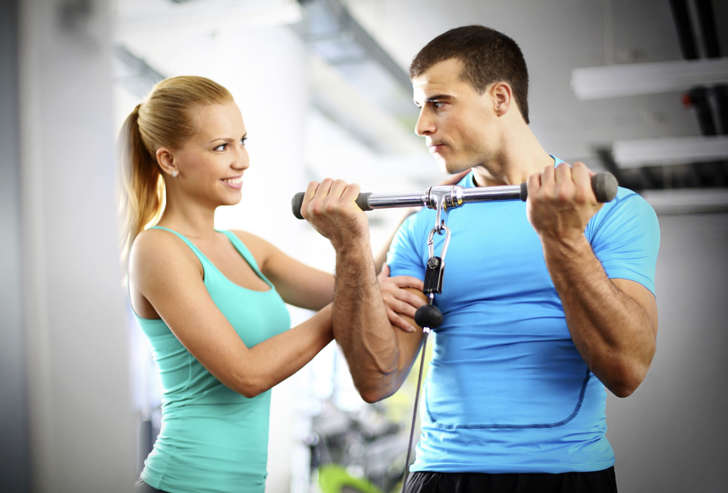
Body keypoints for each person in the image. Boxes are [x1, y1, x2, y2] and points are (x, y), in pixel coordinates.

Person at [299, 25, 660, 493]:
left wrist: (563, 238)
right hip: (442, 474)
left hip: (566, 473)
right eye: (420, 107)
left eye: (439, 102)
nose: (423, 125)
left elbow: (626, 370)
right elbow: (375, 379)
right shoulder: (424, 227)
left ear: (500, 98)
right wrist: (350, 249)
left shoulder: (612, 212)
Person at [119, 75, 424, 493]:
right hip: (182, 484)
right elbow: (246, 375)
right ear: (169, 161)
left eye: (242, 141)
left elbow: (360, 285)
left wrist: (412, 218)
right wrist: (342, 310)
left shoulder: (247, 248)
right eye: (221, 147)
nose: (242, 160)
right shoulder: (157, 250)